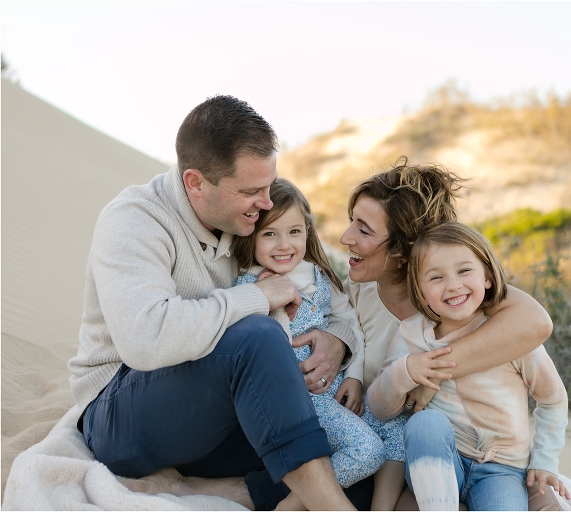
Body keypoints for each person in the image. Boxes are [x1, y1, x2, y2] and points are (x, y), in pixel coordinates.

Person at [67, 95, 363, 510]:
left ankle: (234, 491)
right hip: (123, 411)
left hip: (214, 414)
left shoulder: (242, 219)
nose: (265, 203)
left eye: (268, 186)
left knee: (357, 451)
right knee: (257, 335)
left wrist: (337, 338)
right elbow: (146, 338)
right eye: (251, 190)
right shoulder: (135, 219)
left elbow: (317, 285)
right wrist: (256, 296)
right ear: (195, 183)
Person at [338, 158, 556, 509]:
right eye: (352, 223)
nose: (345, 237)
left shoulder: (459, 300)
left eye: (364, 230)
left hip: (485, 459)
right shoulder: (357, 289)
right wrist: (337, 344)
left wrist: (436, 370)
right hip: (406, 459)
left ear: (404, 250)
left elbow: (536, 322)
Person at [366, 222, 570, 510]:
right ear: (421, 292)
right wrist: (405, 372)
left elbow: (552, 398)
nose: (453, 285)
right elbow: (379, 407)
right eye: (436, 277)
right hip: (439, 463)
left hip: (503, 470)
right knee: (425, 424)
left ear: (487, 277)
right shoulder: (413, 335)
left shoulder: (508, 336)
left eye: (464, 271)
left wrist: (545, 460)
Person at [231, 178, 386, 508]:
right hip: (305, 401)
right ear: (252, 235)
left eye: (295, 232)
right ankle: (295, 504)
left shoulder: (319, 276)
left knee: (397, 427)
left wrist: (356, 378)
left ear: (308, 232)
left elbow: (350, 326)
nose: (283, 245)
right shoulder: (247, 285)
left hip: (341, 389)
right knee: (368, 452)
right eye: (269, 233)